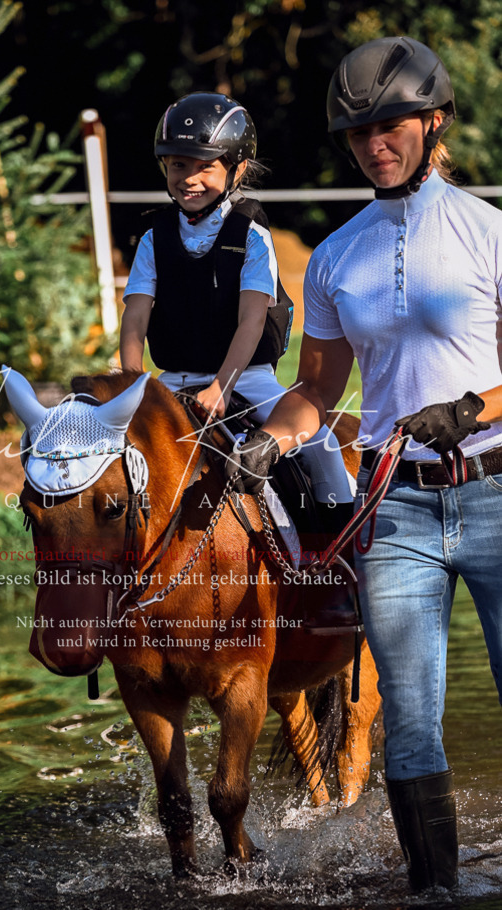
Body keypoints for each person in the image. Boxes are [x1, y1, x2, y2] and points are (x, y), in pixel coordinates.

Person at [240, 36, 502, 891]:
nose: (374, 144)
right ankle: (435, 903)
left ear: (435, 122)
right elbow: (318, 386)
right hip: (394, 512)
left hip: (495, 490)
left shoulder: (488, 232)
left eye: (391, 125)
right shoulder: (334, 256)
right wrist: (272, 438)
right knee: (410, 724)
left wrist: (470, 409)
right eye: (358, 133)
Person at [119, 91, 359, 631]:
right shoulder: (153, 238)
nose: (188, 178)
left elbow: (252, 322)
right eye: (176, 166)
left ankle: (338, 582)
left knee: (322, 449)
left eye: (203, 167)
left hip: (247, 379)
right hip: (172, 381)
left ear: (237, 168)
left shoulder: (253, 236)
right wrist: (131, 385)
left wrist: (221, 387)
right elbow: (135, 318)